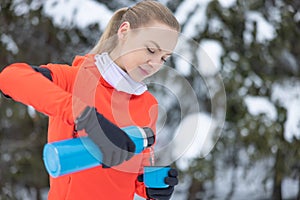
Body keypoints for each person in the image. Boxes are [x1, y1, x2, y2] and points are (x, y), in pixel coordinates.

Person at [0, 0, 180, 199]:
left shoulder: (148, 105)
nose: (155, 63)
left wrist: (151, 187)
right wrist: (86, 117)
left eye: (164, 58)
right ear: (125, 31)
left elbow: (135, 171)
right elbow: (10, 77)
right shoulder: (73, 79)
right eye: (151, 50)